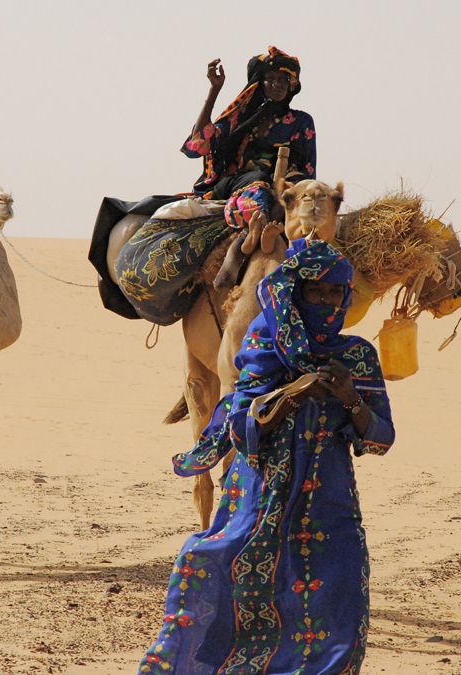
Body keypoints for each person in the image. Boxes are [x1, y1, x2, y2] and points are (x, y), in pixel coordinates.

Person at [139, 238, 396, 674]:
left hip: (328, 505)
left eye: (336, 293)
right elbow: (240, 426)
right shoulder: (262, 346)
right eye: (317, 292)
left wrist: (349, 397)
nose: (327, 302)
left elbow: (381, 439)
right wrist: (289, 398)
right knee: (217, 574)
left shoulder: (357, 356)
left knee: (340, 606)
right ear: (297, 293)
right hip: (260, 498)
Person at [182, 46, 317, 288]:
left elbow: (307, 169)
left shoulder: (301, 122)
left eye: (283, 79)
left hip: (284, 186)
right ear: (260, 83)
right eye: (271, 79)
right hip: (239, 183)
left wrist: (292, 186)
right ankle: (247, 241)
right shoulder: (241, 116)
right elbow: (198, 145)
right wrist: (214, 90)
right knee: (260, 185)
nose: (277, 85)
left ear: (291, 85)